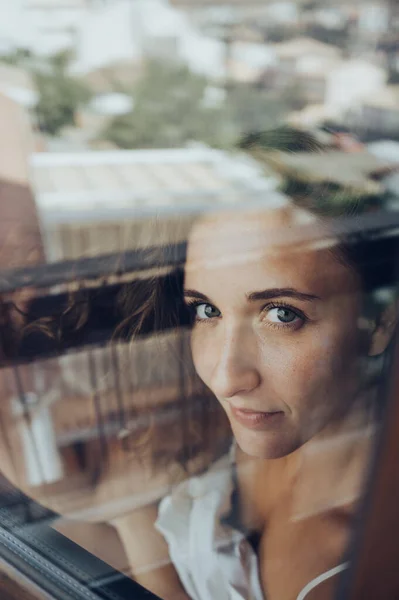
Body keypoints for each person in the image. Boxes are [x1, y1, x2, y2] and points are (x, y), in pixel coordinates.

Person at [117, 194, 398, 600]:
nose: (226, 379)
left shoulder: (367, 567)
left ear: (380, 323)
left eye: (282, 314)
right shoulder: (214, 434)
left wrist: (133, 525)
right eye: (206, 310)